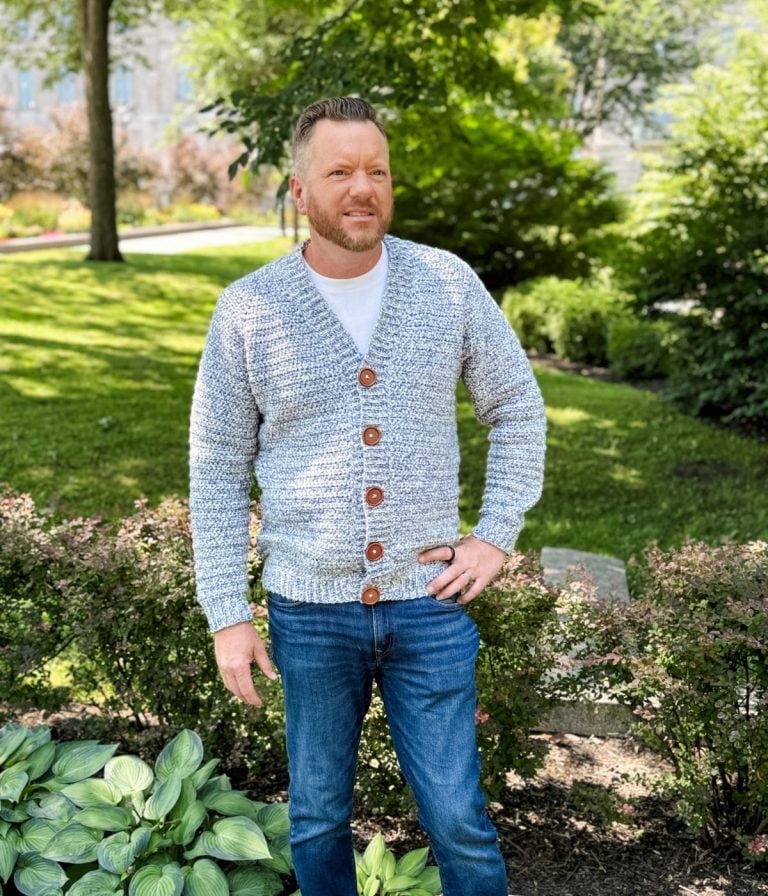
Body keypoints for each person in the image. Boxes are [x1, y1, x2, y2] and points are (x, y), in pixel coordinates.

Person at [189, 96, 546, 896]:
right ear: (298, 190)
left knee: (459, 818)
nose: (362, 187)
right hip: (308, 611)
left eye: (376, 170)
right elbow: (215, 465)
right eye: (340, 171)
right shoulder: (249, 308)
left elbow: (517, 407)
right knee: (316, 817)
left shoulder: (446, 283)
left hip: (430, 602)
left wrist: (494, 534)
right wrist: (228, 613)